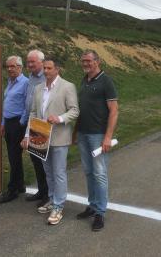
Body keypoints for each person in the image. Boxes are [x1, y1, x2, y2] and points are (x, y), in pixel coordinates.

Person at [22, 58, 79, 225]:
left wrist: (60, 118)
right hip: (41, 137)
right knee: (48, 172)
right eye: (44, 68)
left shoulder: (67, 87)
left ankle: (59, 206)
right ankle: (53, 200)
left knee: (59, 173)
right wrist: (27, 135)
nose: (46, 71)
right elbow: (33, 113)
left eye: (49, 68)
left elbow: (74, 111)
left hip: (60, 137)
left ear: (57, 69)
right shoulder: (39, 88)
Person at [76, 49, 118, 231]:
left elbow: (114, 111)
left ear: (97, 61)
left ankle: (100, 212)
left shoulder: (106, 81)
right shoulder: (84, 80)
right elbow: (81, 108)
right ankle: (92, 206)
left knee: (99, 174)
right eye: (83, 61)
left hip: (98, 135)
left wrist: (108, 137)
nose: (85, 64)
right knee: (88, 172)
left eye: (88, 61)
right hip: (83, 134)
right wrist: (74, 132)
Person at [0, 55, 29, 203]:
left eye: (12, 66)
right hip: (9, 123)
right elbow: (7, 104)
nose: (9, 69)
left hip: (18, 123)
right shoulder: (10, 82)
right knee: (14, 156)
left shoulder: (25, 83)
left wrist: (21, 123)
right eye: (8, 66)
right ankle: (20, 184)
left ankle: (12, 190)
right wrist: (3, 123)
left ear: (20, 67)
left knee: (13, 156)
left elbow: (27, 106)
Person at [21, 50, 49, 206]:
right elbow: (28, 100)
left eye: (33, 62)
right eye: (28, 62)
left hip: (43, 124)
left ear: (42, 62)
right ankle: (42, 191)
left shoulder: (47, 76)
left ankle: (48, 195)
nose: (30, 65)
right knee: (35, 159)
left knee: (45, 161)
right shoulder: (31, 77)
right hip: (31, 122)